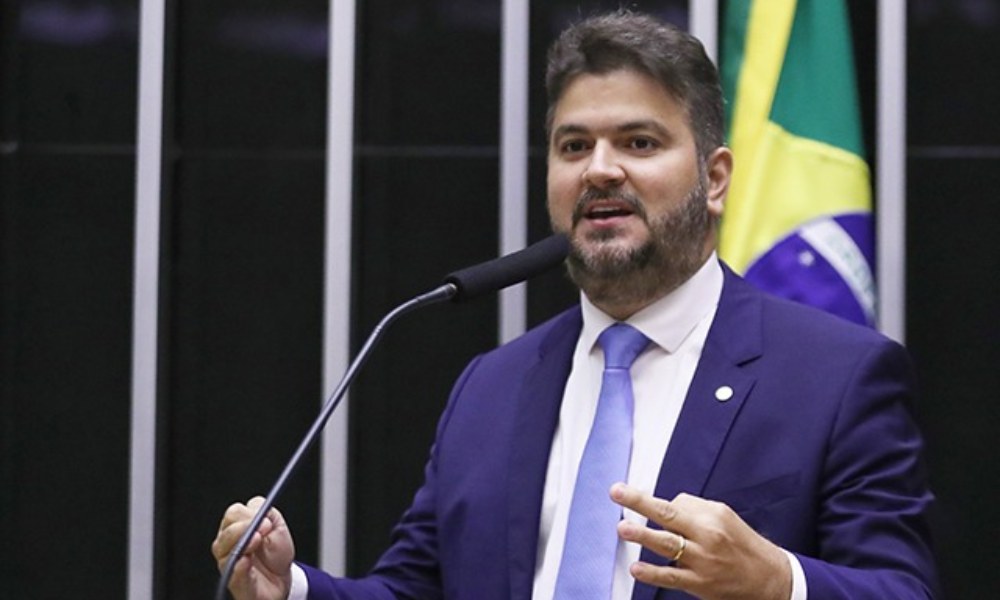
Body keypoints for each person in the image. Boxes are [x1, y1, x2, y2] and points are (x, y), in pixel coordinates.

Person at [212, 10, 937, 600]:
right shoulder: (492, 386)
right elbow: (417, 589)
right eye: (573, 146)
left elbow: (902, 590)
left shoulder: (836, 376)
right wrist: (291, 589)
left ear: (714, 179)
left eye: (639, 142)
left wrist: (778, 583)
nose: (600, 169)